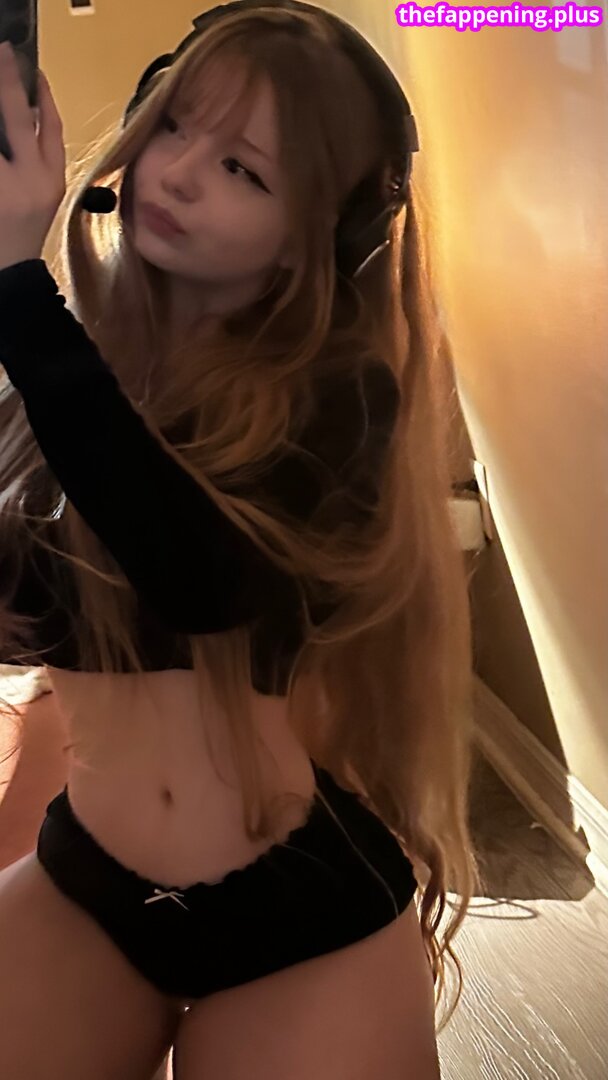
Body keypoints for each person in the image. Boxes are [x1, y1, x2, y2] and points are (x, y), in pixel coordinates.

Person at [0, 4, 482, 1077]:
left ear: (321, 237)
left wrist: (17, 294)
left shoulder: (342, 398)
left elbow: (196, 580)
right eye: (173, 125)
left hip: (294, 912)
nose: (175, 174)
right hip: (89, 881)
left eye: (242, 170)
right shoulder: (57, 380)